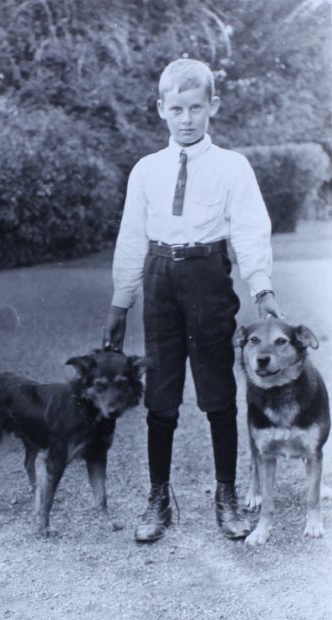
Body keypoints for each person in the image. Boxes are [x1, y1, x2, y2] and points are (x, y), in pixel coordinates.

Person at [102, 58, 281, 543]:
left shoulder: (232, 167)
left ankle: (226, 496)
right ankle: (158, 497)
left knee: (217, 390)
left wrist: (262, 288)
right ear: (161, 109)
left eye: (195, 107)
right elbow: (132, 237)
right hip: (160, 279)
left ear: (212, 108)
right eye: (176, 108)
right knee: (161, 393)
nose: (186, 118)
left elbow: (249, 232)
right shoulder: (146, 170)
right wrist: (121, 305)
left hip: (207, 278)